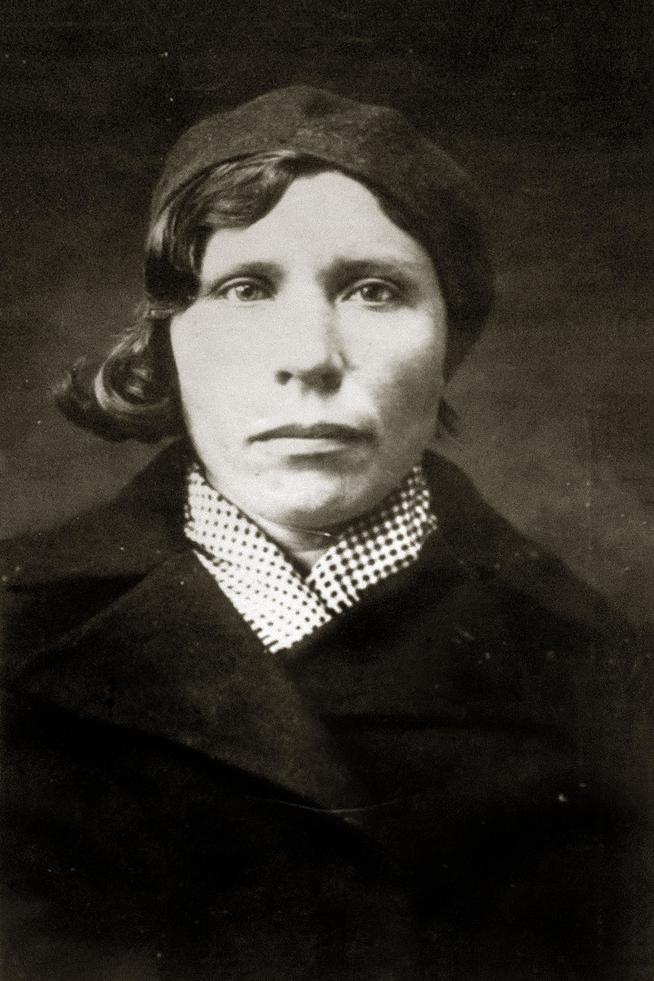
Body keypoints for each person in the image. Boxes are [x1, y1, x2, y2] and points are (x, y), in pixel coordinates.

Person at [1, 86, 650, 980]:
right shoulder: (16, 631)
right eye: (245, 288)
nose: (309, 355)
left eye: (375, 290)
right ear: (170, 339)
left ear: (449, 339)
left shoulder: (600, 671)